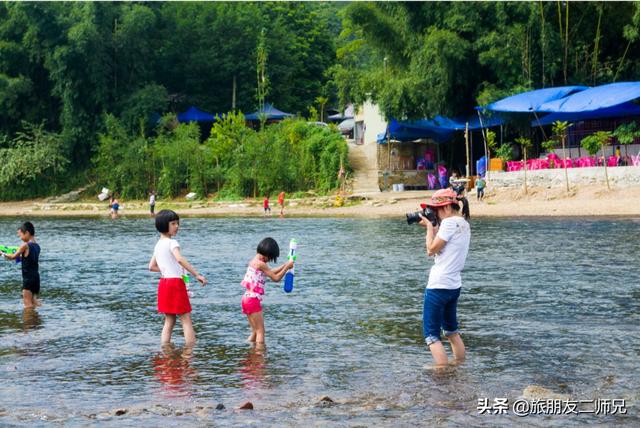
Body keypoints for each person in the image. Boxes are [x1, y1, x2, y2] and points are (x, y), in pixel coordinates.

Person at [418, 188, 471, 367]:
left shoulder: (448, 224)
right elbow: (446, 246)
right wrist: (433, 227)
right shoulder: (463, 223)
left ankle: (443, 374)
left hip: (438, 285)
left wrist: (429, 230)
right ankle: (460, 368)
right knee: (451, 332)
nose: (436, 214)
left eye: (437, 210)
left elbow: (431, 250)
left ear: (447, 207)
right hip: (453, 286)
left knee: (431, 335)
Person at [149, 210, 207, 346]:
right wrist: (196, 274)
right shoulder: (172, 242)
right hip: (175, 283)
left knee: (169, 320)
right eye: (173, 223)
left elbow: (151, 266)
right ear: (164, 225)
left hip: (164, 283)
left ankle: (165, 349)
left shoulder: (158, 245)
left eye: (177, 223)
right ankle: (190, 351)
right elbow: (180, 259)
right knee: (186, 318)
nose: (177, 226)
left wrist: (166, 269)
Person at [241, 237, 294, 345]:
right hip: (253, 300)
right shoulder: (261, 264)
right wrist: (287, 267)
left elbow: (269, 272)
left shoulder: (254, 261)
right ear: (266, 253)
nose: (269, 260)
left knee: (255, 331)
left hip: (246, 299)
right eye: (269, 258)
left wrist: (285, 265)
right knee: (261, 331)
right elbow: (275, 278)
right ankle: (260, 356)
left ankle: (249, 350)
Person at [2, 222, 41, 308]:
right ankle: (38, 318)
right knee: (34, 302)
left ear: (27, 233)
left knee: (27, 305)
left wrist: (2, 253)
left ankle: (29, 321)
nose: (20, 238)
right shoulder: (37, 246)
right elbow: (26, 258)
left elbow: (13, 257)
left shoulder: (25, 246)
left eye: (20, 235)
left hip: (28, 278)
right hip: (36, 278)